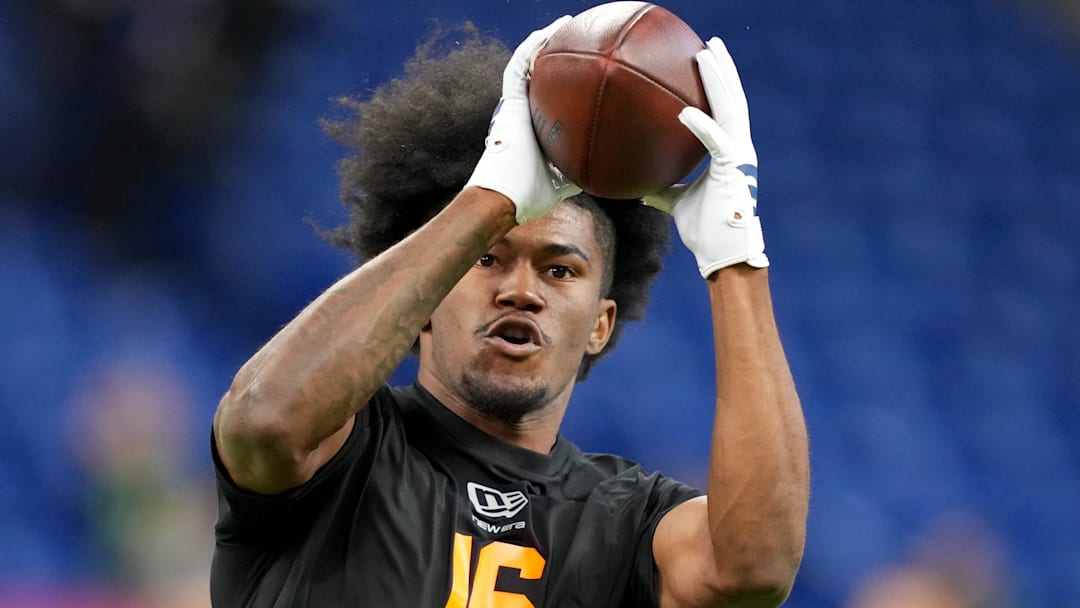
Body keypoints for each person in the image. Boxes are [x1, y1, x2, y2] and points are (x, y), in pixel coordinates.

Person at [210, 15, 809, 608]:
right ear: (423, 300)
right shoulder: (342, 450)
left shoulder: (628, 520)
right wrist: (489, 200)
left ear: (600, 325)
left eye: (559, 270)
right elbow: (264, 421)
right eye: (488, 259)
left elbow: (752, 570)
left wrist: (735, 256)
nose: (521, 291)